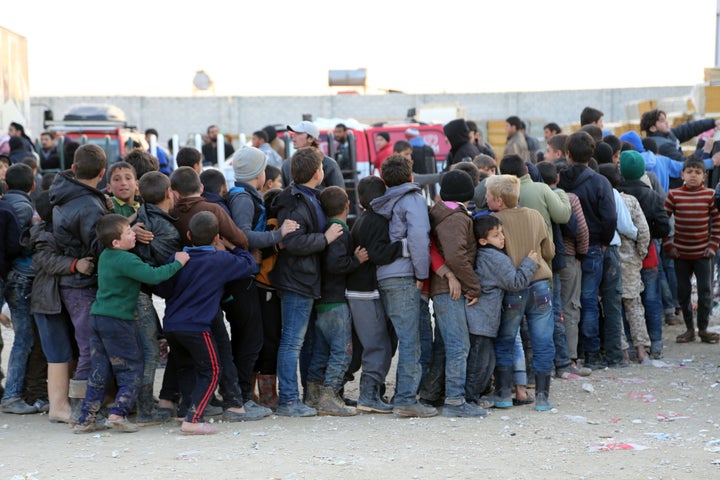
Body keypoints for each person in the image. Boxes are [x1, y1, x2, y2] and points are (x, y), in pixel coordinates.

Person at [73, 214, 189, 433]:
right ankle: (119, 413)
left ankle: (86, 418)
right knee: (132, 367)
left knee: (100, 368)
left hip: (98, 318)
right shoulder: (127, 259)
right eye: (128, 232)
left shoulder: (106, 255)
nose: (133, 233)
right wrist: (178, 262)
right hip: (118, 321)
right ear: (117, 242)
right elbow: (154, 276)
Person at [156, 211, 256, 435]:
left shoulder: (177, 258)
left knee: (186, 368)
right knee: (211, 370)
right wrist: (233, 247)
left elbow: (162, 287)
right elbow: (249, 264)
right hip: (198, 327)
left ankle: (184, 410)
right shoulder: (219, 260)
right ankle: (193, 419)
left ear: (189, 235)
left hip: (172, 325)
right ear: (216, 238)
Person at [269, 147, 344, 417]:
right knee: (292, 342)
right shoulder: (298, 202)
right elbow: (294, 241)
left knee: (302, 342)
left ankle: (304, 396)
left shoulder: (306, 196)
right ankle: (289, 400)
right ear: (317, 172)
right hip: (296, 280)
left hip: (304, 279)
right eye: (322, 166)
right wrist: (326, 238)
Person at [225, 146, 298, 411]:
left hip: (250, 275)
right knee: (257, 339)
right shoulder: (244, 198)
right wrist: (278, 236)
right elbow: (243, 235)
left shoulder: (245, 195)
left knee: (257, 338)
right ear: (259, 172)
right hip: (248, 278)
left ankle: (252, 394)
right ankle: (250, 396)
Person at [370, 154, 437, 418]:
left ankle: (377, 393)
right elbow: (419, 239)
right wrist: (422, 273)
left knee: (391, 338)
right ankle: (407, 399)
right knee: (411, 342)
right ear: (411, 176)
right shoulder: (413, 200)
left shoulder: (381, 202)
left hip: (384, 275)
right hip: (405, 275)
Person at [48, 144, 109, 420]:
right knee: (89, 346)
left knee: (84, 344)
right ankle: (84, 409)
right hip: (82, 283)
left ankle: (86, 405)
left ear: (73, 168)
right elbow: (98, 247)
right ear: (103, 173)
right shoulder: (88, 205)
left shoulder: (65, 193)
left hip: (71, 282)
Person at [485, 174, 555, 410]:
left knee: (505, 340)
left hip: (512, 289)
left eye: (488, 195)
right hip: (541, 286)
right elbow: (549, 251)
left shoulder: (494, 222)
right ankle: (543, 397)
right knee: (543, 341)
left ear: (499, 201)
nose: (485, 199)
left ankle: (504, 394)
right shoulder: (535, 216)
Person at [426, 170, 487, 417]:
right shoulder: (456, 218)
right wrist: (474, 286)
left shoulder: (441, 213)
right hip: (451, 290)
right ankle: (454, 401)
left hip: (444, 287)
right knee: (458, 345)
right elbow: (456, 256)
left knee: (444, 345)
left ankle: (430, 395)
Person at [304, 186, 366, 416]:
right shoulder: (339, 230)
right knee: (342, 352)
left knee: (321, 351)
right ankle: (330, 395)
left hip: (322, 301)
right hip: (336, 302)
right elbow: (335, 264)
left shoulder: (324, 230)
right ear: (347, 204)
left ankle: (313, 395)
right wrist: (356, 260)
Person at [558, 131, 617, 370]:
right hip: (594, 247)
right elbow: (610, 217)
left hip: (566, 248)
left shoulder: (559, 180)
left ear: (567, 154)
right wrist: (604, 242)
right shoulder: (600, 182)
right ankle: (591, 352)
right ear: (592, 153)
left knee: (567, 302)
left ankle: (571, 352)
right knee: (590, 300)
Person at [466, 215, 538, 406]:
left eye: (501, 233)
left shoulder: (483, 256)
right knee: (480, 363)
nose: (502, 238)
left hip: (481, 319)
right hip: (482, 321)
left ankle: (474, 397)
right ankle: (470, 399)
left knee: (483, 361)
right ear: (483, 241)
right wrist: (530, 263)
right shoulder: (496, 258)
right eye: (496, 235)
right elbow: (516, 282)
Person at [346, 176, 403, 413]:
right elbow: (377, 253)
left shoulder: (362, 219)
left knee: (375, 343)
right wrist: (403, 247)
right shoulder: (378, 220)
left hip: (359, 290)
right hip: (365, 291)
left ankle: (372, 392)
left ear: (359, 199)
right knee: (377, 345)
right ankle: (369, 396)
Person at [617, 150, 672, 359]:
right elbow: (664, 229)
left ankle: (630, 344)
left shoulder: (616, 194)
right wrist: (645, 238)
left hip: (621, 256)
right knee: (650, 299)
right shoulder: (652, 195)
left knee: (625, 302)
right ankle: (655, 343)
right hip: (647, 254)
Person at [599, 163, 653, 364]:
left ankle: (621, 350)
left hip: (608, 258)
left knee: (612, 307)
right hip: (630, 261)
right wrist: (641, 252)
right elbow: (643, 230)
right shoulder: (630, 201)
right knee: (634, 305)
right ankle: (641, 350)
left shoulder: (600, 199)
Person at [664, 158, 720, 344]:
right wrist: (668, 246)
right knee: (683, 292)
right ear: (682, 175)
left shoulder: (710, 195)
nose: (693, 175)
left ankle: (703, 329)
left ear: (704, 176)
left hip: (703, 254)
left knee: (705, 291)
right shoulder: (673, 195)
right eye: (689, 172)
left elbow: (717, 222)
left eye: (697, 172)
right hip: (680, 254)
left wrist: (713, 245)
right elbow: (664, 222)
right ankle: (689, 329)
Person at [1, 163, 41, 415]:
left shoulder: (6, 203)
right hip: (20, 277)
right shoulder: (24, 208)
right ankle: (12, 394)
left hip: (10, 278)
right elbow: (19, 246)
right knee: (24, 338)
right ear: (33, 185)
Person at [281, 121, 344, 190]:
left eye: (298, 133)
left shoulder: (328, 164)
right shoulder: (287, 164)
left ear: (311, 138)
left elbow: (339, 196)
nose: (294, 136)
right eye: (294, 133)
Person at [641, 109, 720, 163]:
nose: (667, 123)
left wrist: (713, 123)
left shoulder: (667, 135)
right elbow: (686, 164)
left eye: (665, 119)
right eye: (662, 121)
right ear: (652, 128)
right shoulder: (663, 146)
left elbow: (689, 129)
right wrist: (703, 148)